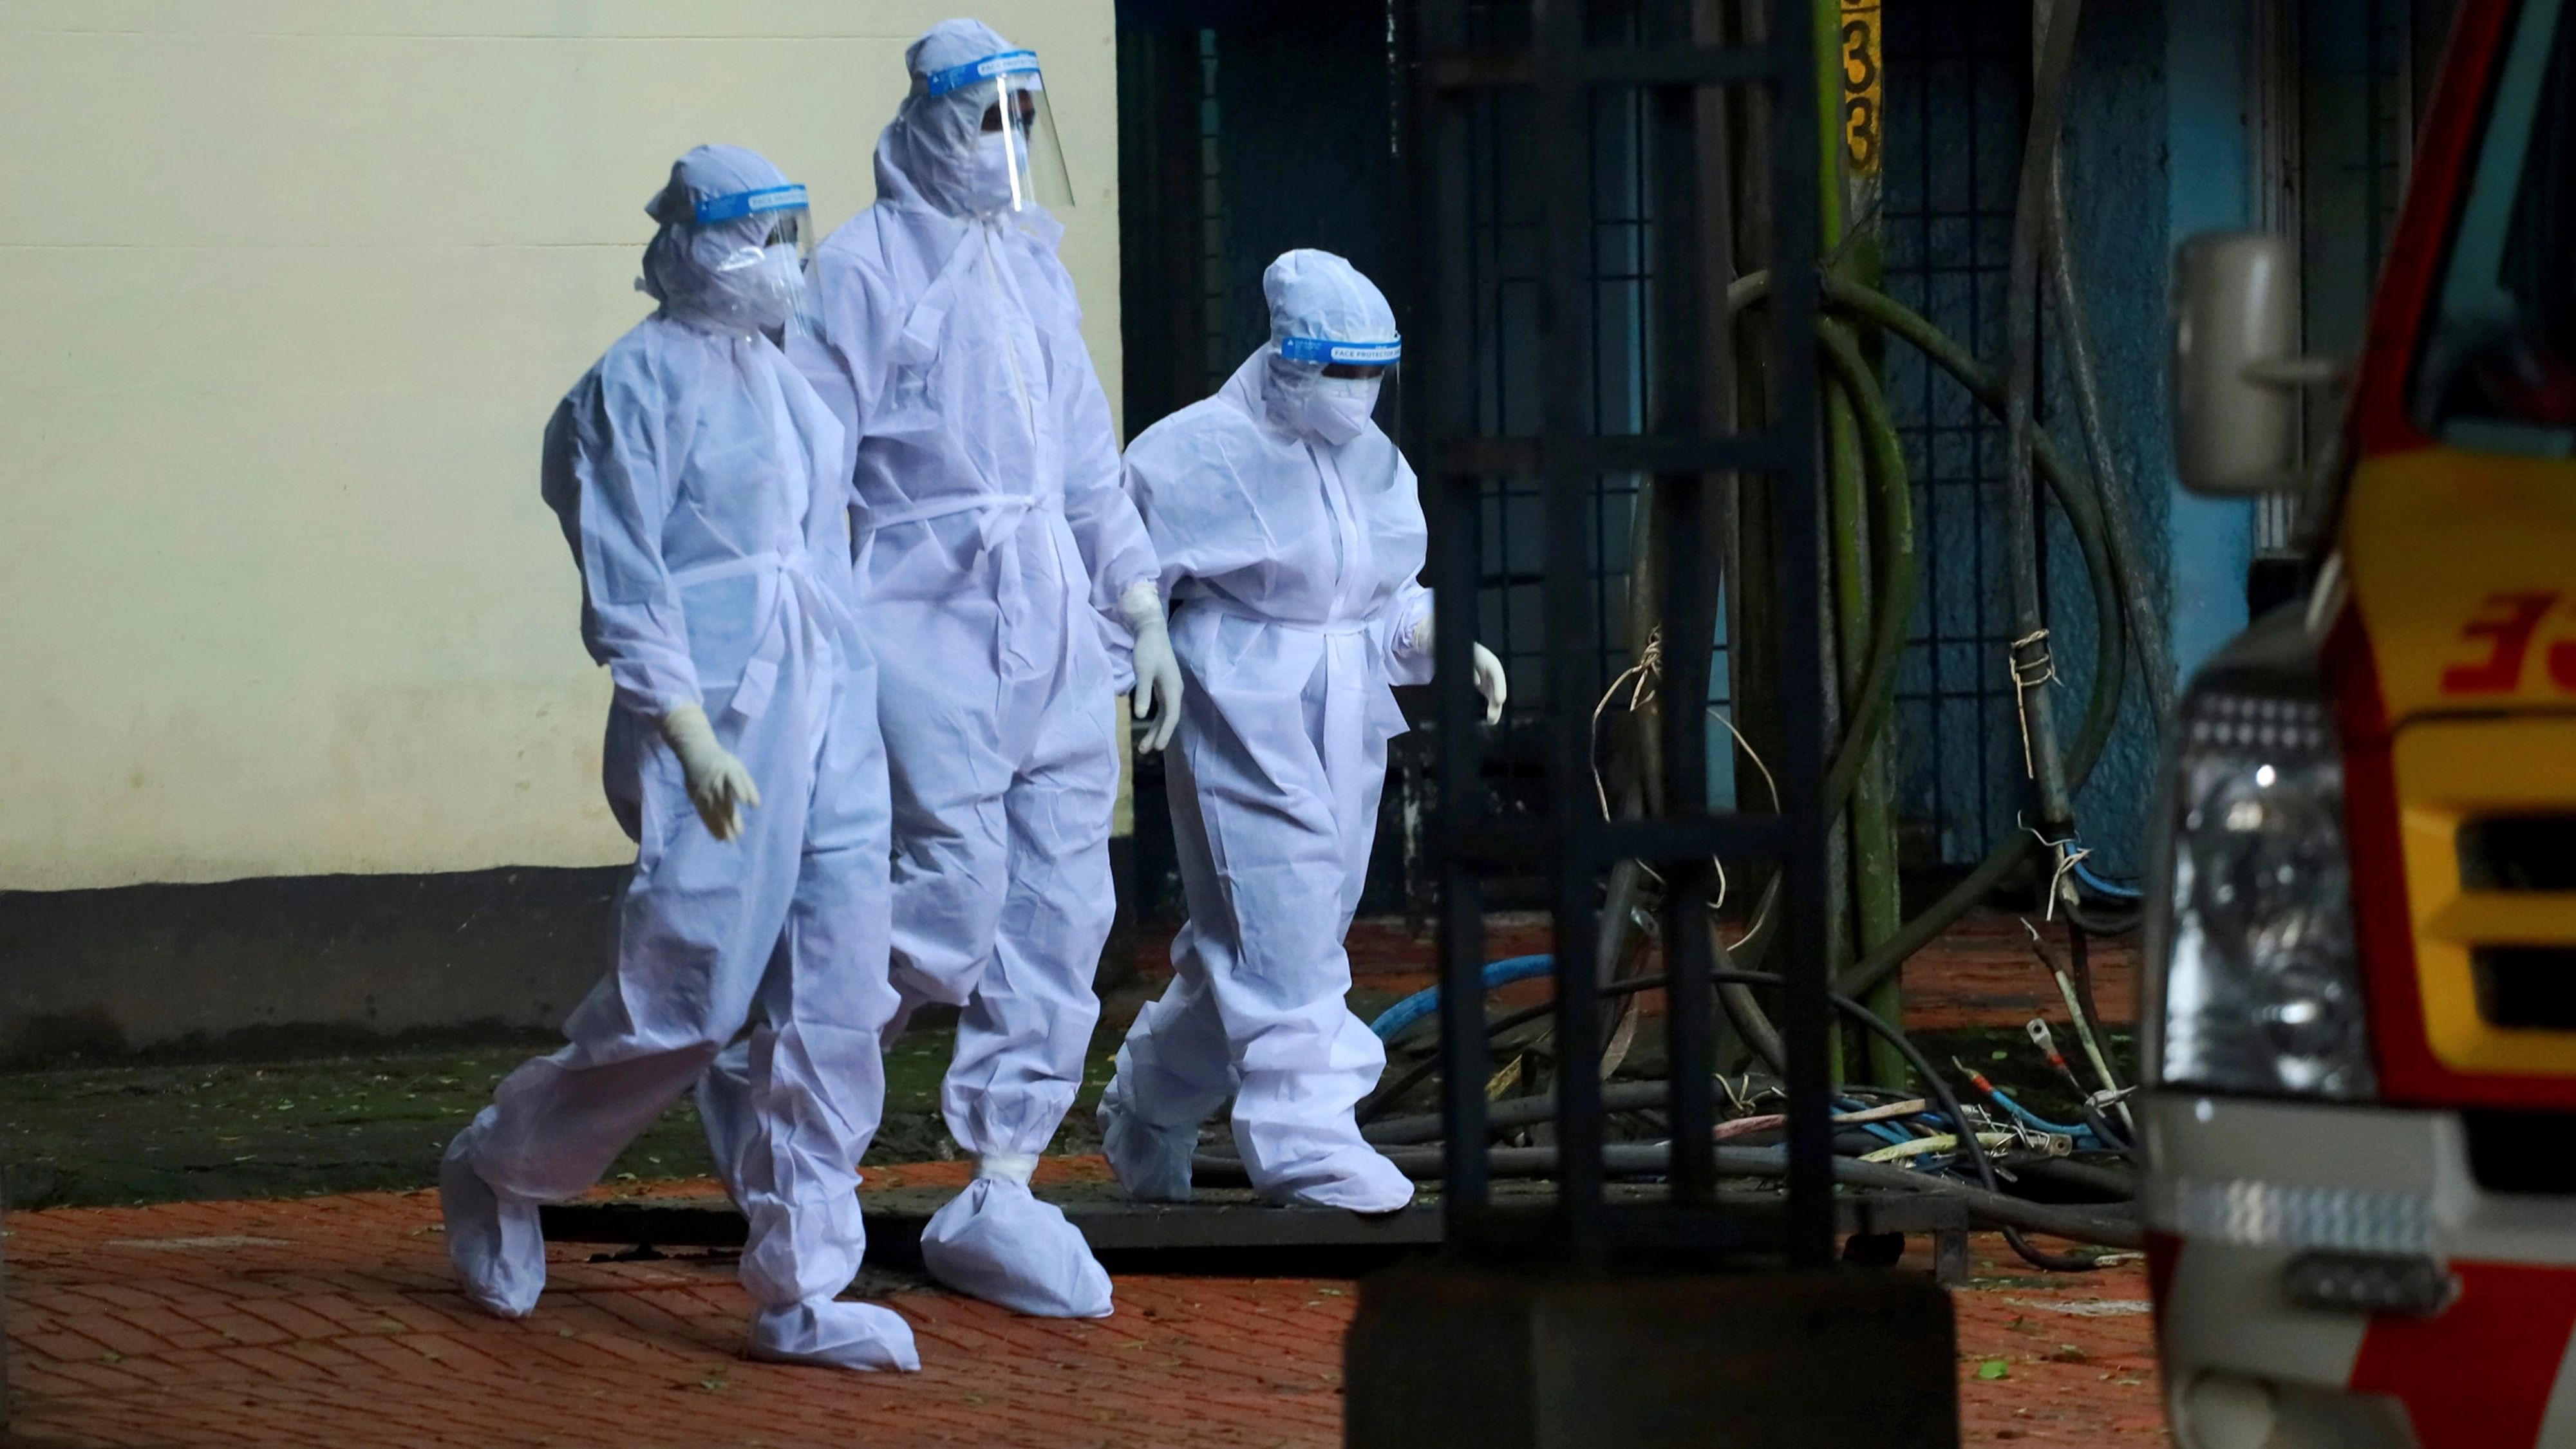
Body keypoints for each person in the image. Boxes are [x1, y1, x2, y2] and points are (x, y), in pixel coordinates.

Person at [702, 19, 1181, 1320]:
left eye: (1027, 120)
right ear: (926, 123)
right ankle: (782, 1088)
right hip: (928, 621)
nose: (1010, 147)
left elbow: (1083, 453)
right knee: (947, 908)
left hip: (1056, 621)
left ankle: (1004, 1181)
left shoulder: (1032, 267)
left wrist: (1135, 598)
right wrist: (806, 637)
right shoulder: (861, 273)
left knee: (1063, 910)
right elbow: (807, 461)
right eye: (988, 120)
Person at [439, 145, 917, 1373]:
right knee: (686, 999)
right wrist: (684, 725)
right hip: (716, 712)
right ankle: (504, 1163)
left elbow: (824, 554)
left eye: (792, 236)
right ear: (696, 241)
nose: (785, 264)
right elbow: (626, 572)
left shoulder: (791, 383)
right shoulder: (631, 388)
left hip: (828, 708)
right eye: (763, 238)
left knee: (837, 995)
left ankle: (804, 1284)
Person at [1095, 250, 1507, 1211]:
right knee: (1281, 930)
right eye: (1339, 371)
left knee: (1269, 931)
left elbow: (1377, 594)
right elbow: (1120, 564)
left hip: (1344, 707)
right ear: (1287, 358)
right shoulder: (1192, 450)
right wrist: (1141, 640)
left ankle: (1148, 1103)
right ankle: (1307, 1143)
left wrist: (1438, 634)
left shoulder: (1370, 460)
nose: (1358, 394)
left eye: (1374, 373)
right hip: (1242, 700)